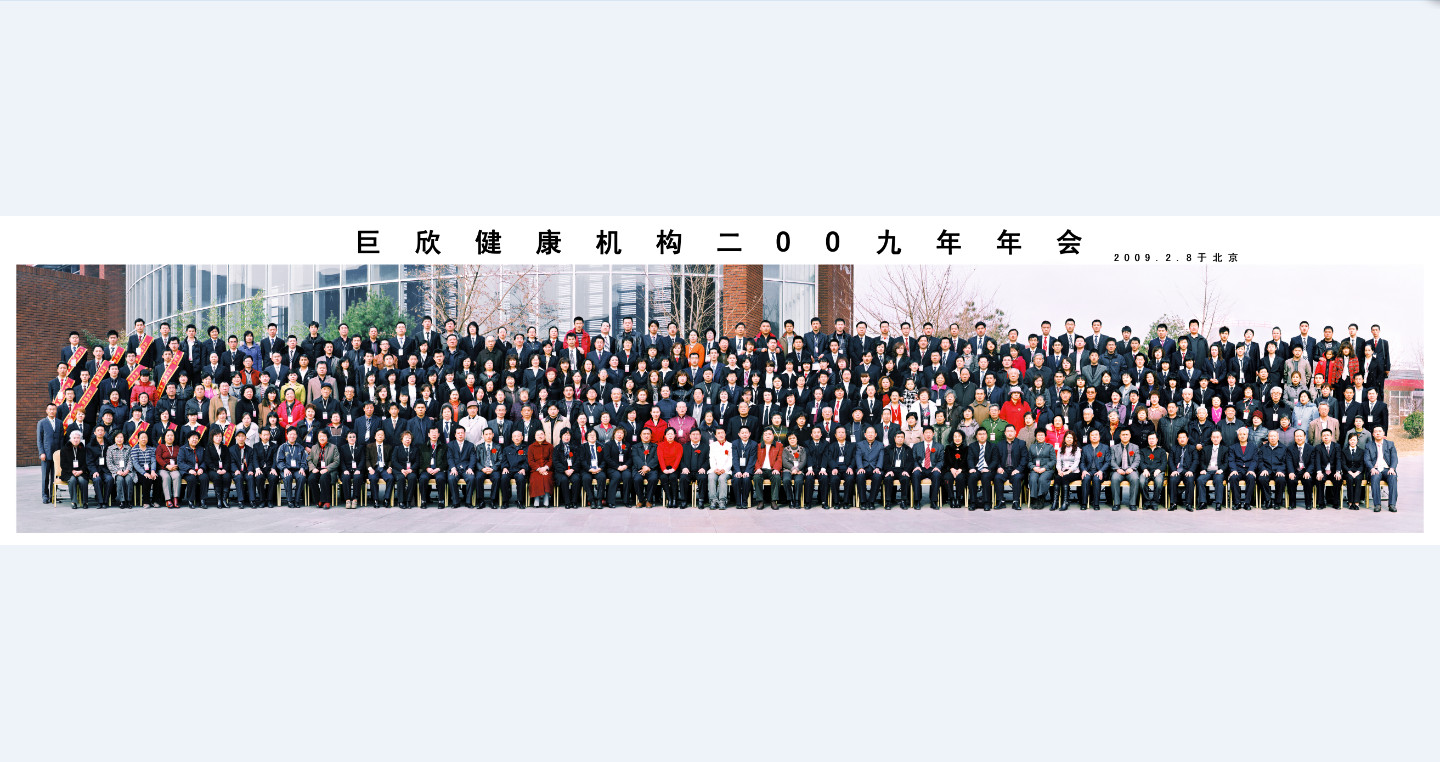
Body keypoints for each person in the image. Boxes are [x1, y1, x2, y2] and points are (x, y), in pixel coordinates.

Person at [1364, 426, 1399, 512]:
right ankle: (1377, 504)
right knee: (1375, 477)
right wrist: (1372, 468)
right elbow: (1367, 459)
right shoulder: (1368, 445)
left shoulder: (1390, 444)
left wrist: (1392, 468)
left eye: (1380, 431)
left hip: (1387, 469)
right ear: (1373, 434)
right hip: (1375, 469)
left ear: (1383, 433)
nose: (1378, 433)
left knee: (1393, 477)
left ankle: (1392, 504)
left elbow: (1394, 458)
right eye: (1376, 432)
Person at [967, 427, 1000, 511]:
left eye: (984, 434)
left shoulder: (992, 446)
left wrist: (988, 468)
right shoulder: (972, 446)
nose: (982, 436)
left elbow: (995, 460)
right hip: (976, 468)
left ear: (987, 435)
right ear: (976, 436)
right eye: (980, 434)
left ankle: (987, 503)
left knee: (986, 477)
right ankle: (973, 502)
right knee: (972, 477)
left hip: (988, 469)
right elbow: (970, 458)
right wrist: (972, 468)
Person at [306, 429, 340, 509]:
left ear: (327, 437)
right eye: (320, 436)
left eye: (324, 436)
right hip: (317, 469)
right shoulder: (314, 447)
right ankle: (318, 500)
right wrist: (313, 468)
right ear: (317, 438)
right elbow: (309, 460)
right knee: (311, 479)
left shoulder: (333, 447)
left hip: (329, 470)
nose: (322, 438)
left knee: (324, 478)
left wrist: (327, 469)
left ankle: (327, 501)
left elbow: (336, 461)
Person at [1078, 429, 1109, 511]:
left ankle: (1096, 504)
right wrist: (1084, 470)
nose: (1094, 437)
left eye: (1096, 435)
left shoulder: (1105, 447)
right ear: (1089, 437)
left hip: (1100, 471)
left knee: (1096, 479)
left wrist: (1101, 471)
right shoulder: (1085, 448)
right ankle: (1084, 503)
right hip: (1088, 470)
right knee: (1085, 478)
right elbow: (1082, 462)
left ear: (1099, 437)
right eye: (1092, 435)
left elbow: (1107, 462)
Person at [61, 429, 90, 508]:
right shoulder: (64, 449)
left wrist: (81, 471)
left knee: (82, 480)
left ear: (80, 439)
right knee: (72, 480)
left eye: (78, 438)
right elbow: (63, 464)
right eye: (74, 438)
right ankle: (73, 502)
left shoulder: (84, 449)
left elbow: (86, 462)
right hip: (68, 472)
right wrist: (72, 471)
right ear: (70, 439)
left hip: (81, 472)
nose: (76, 440)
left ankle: (85, 502)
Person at [706, 428, 732, 510]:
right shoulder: (712, 445)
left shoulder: (730, 445)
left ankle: (722, 501)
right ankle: (713, 500)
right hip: (715, 469)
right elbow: (711, 458)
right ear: (715, 435)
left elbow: (731, 460)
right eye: (718, 433)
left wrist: (724, 469)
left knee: (722, 478)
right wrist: (715, 469)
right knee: (711, 477)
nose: (721, 435)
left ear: (725, 434)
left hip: (726, 471)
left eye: (722, 433)